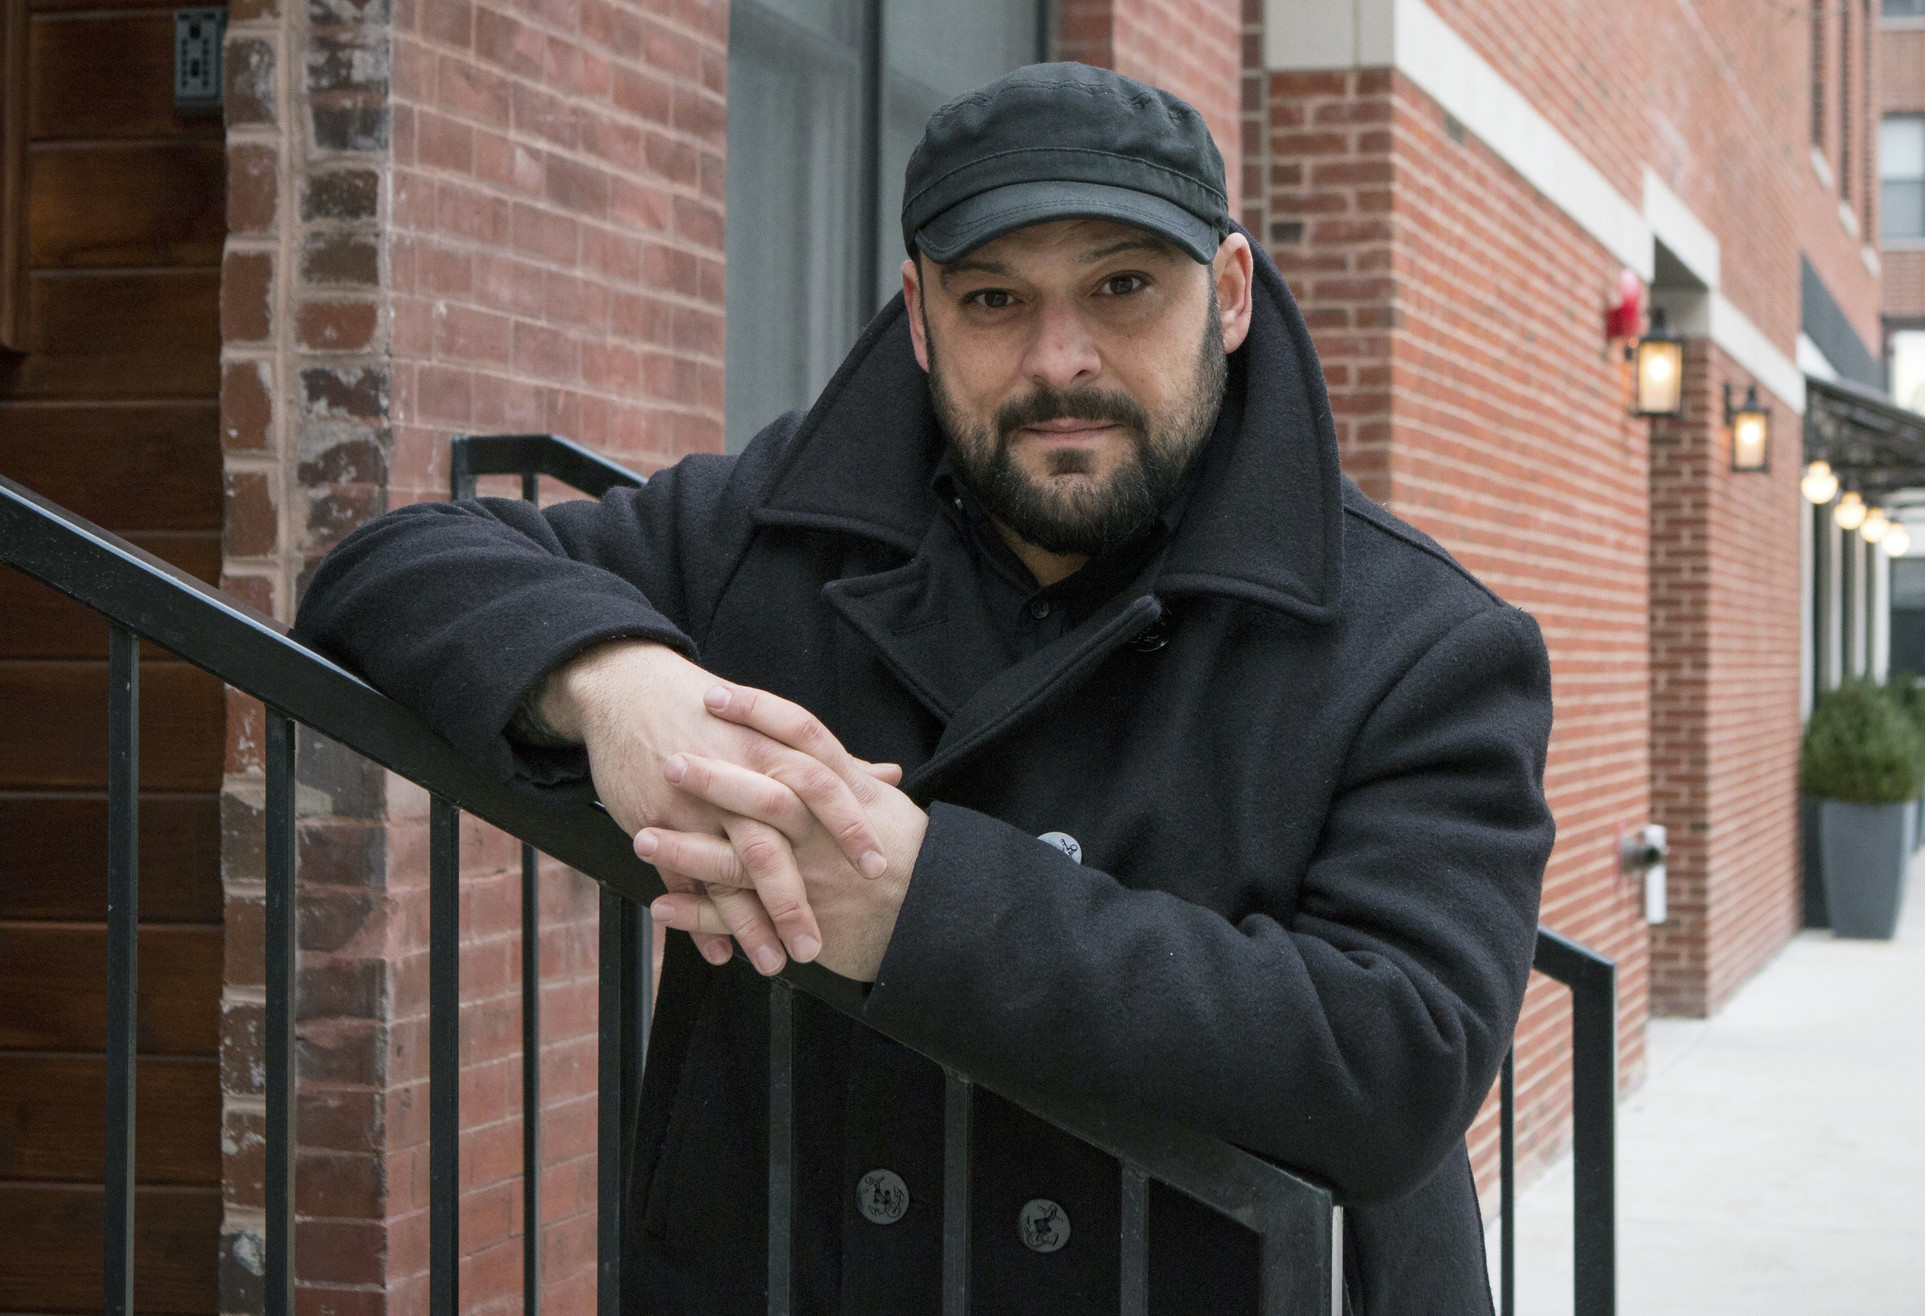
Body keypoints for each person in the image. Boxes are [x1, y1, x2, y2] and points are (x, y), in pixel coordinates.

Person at [296, 62, 1555, 1314]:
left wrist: (920, 909)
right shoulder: (781, 531)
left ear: (1226, 294)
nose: (1059, 360)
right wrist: (616, 684)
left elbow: (1400, 1054)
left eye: (1121, 286)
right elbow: (387, 566)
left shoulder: (1419, 640)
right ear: (917, 314)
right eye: (993, 298)